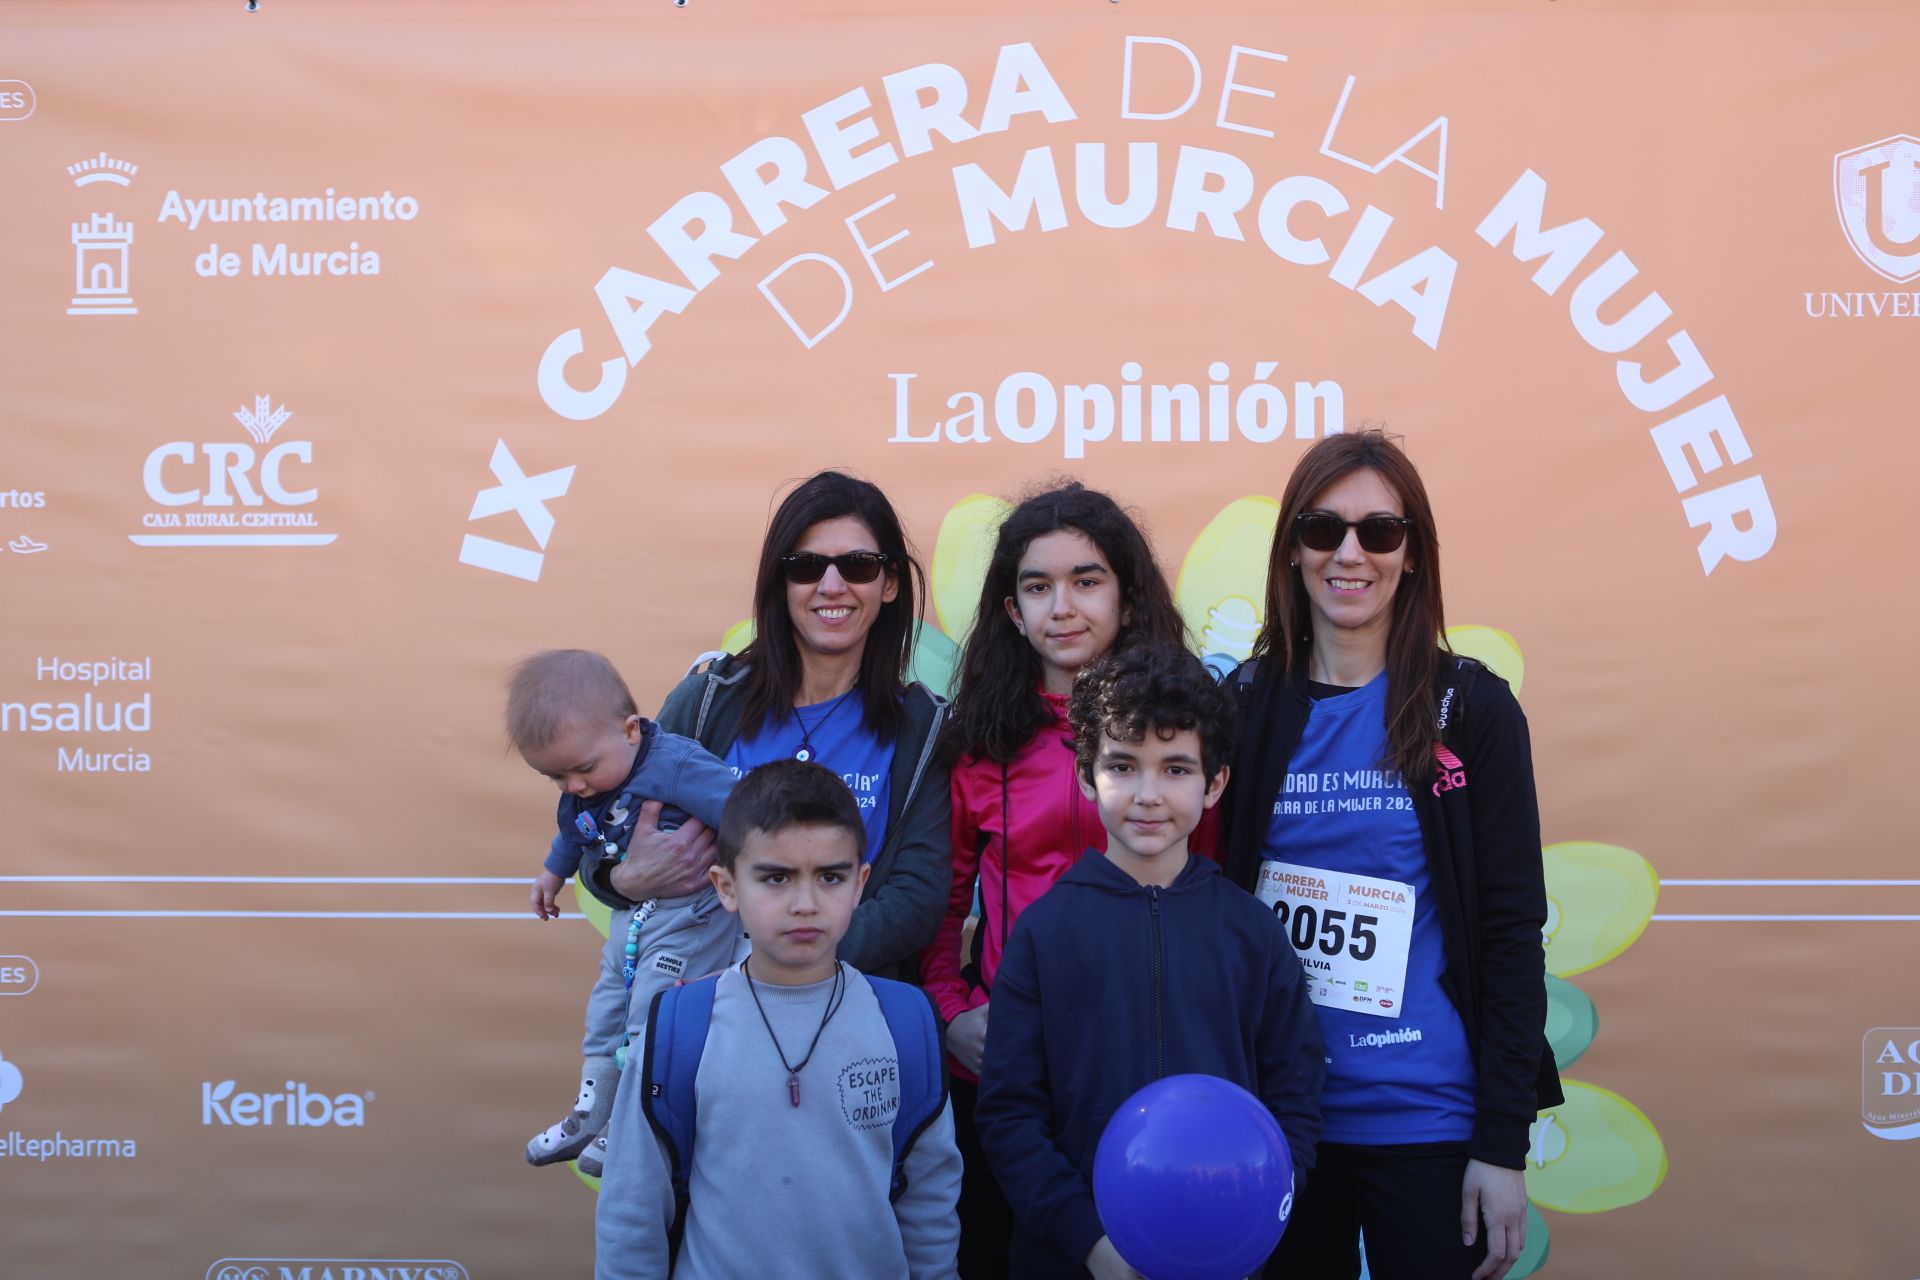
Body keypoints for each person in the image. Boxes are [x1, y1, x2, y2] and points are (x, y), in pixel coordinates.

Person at [1219, 428, 1562, 1280]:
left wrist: (1502, 1146)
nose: (1350, 553)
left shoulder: (1472, 707)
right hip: (1283, 1124)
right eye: (1321, 528)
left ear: (1412, 555)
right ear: (1291, 551)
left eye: (1379, 531)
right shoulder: (1244, 706)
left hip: (1433, 1123)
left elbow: (1513, 934)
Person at [974, 643, 1325, 1279]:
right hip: (1074, 1261)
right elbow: (1009, 1114)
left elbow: (1294, 1100)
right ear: (1085, 775)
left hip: (1223, 1253)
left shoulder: (1254, 932)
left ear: (1215, 783)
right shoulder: (1044, 932)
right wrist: (1090, 1244)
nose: (1147, 794)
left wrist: (1251, 1219)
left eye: (1176, 769)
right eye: (1123, 766)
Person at [918, 481, 1190, 1276]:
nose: (1061, 606)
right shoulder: (976, 742)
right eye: (1037, 587)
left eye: (1087, 580)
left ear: (1130, 600)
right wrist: (952, 1010)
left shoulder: (1183, 738)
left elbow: (1215, 892)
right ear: (1011, 611)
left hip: (1153, 1067)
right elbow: (942, 906)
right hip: (1013, 1076)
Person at [594, 759, 963, 1280]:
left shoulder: (905, 1024)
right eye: (775, 878)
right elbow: (632, 1211)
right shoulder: (681, 1029)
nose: (805, 904)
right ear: (726, 887)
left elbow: (930, 1207)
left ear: (860, 885)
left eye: (830, 877)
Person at [505, 650, 741, 1174]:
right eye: (556, 778)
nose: (574, 787)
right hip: (631, 918)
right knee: (608, 1006)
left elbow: (743, 810)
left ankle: (634, 1120)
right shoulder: (585, 780)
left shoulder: (674, 764)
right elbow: (575, 833)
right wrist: (551, 873)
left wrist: (756, 873)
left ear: (630, 730)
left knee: (650, 1014)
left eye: (583, 769)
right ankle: (593, 1112)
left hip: (692, 914)